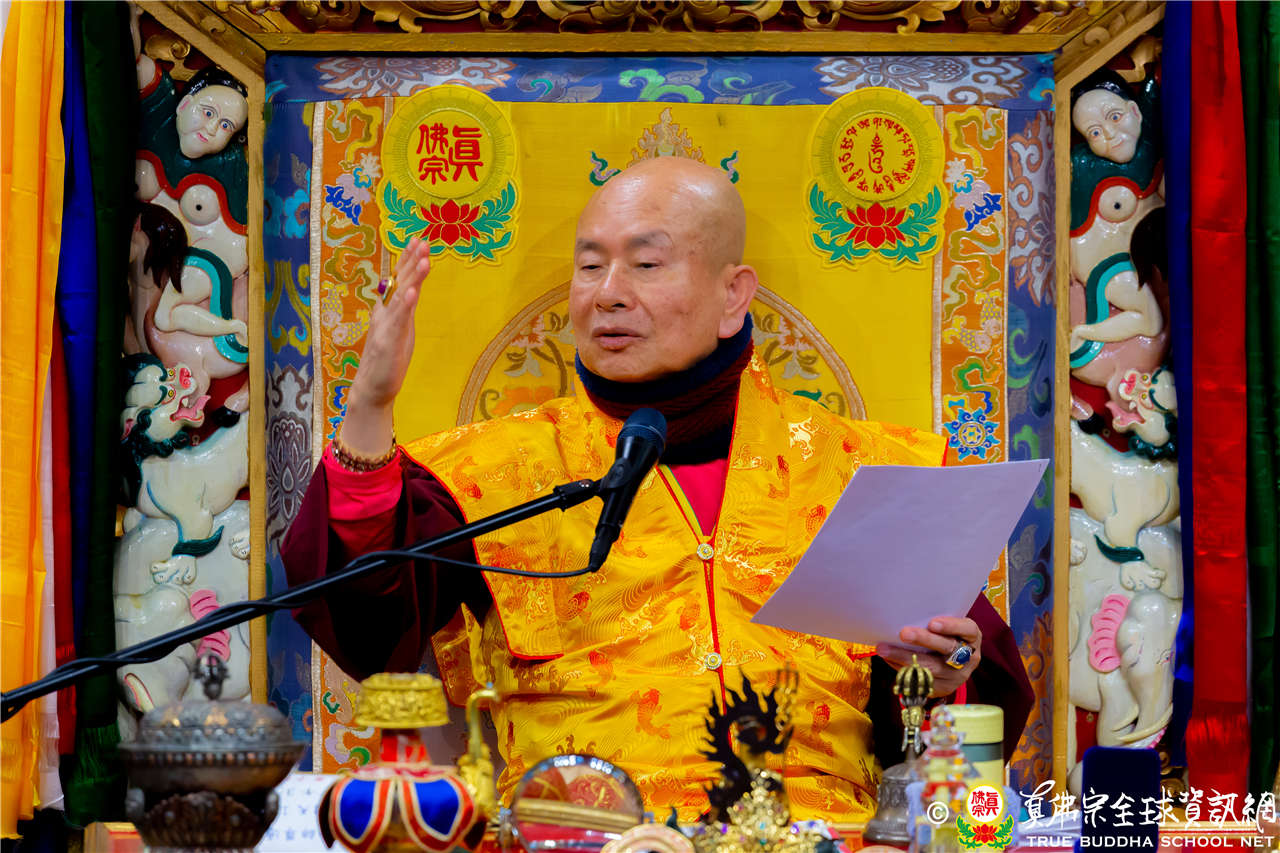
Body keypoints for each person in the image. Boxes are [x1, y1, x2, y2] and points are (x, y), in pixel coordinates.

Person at [282, 157, 1033, 823]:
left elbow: (962, 712)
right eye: (589, 267)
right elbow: (366, 617)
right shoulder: (496, 470)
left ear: (733, 294)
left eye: (646, 265)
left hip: (813, 837)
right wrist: (371, 405)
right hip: (573, 840)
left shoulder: (863, 469)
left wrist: (934, 680)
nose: (608, 294)